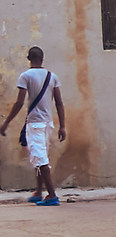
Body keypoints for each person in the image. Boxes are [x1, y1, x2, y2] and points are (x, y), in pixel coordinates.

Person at [1, 46, 67, 205]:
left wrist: (6, 123)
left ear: (28, 58)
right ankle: (38, 191)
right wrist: (62, 126)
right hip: (47, 124)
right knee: (39, 157)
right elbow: (59, 103)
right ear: (42, 59)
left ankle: (51, 196)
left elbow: (19, 102)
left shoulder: (25, 76)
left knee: (41, 158)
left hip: (35, 123)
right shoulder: (52, 76)